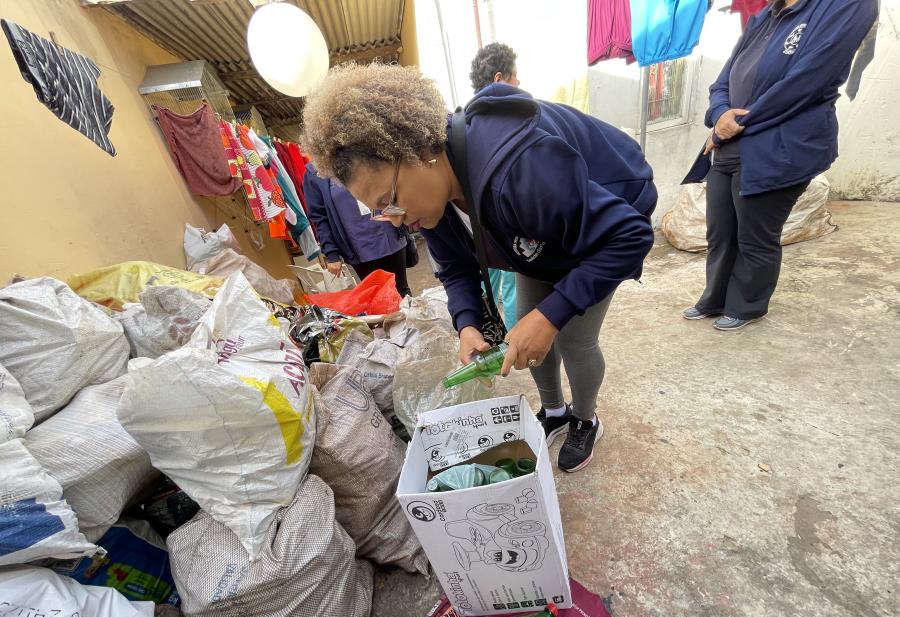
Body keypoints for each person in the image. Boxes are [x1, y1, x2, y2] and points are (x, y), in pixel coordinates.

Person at [301, 64, 656, 472]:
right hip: (539, 236)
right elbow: (454, 268)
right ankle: (555, 410)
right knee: (526, 325)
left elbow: (628, 237)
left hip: (602, 229)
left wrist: (553, 313)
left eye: (389, 200)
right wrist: (467, 322)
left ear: (419, 152)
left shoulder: (519, 168)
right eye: (381, 213)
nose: (395, 219)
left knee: (573, 337)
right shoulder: (432, 205)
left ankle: (585, 419)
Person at [682, 0, 878, 330]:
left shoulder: (848, 6)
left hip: (777, 147)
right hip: (730, 144)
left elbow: (806, 83)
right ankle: (714, 297)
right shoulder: (766, 15)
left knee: (755, 236)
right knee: (720, 232)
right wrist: (719, 117)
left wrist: (732, 125)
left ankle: (746, 305)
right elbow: (722, 81)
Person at [469, 42, 521, 329]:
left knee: (487, 281)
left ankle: (492, 333)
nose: (519, 83)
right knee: (513, 284)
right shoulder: (509, 125)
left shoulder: (466, 126)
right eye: (515, 77)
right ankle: (515, 338)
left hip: (481, 230)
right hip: (508, 226)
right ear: (499, 80)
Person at [303, 162, 412, 297]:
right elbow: (319, 217)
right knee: (377, 297)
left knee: (402, 291)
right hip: (358, 248)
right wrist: (331, 254)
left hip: (389, 235)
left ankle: (411, 317)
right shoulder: (314, 171)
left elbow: (391, 184)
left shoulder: (359, 150)